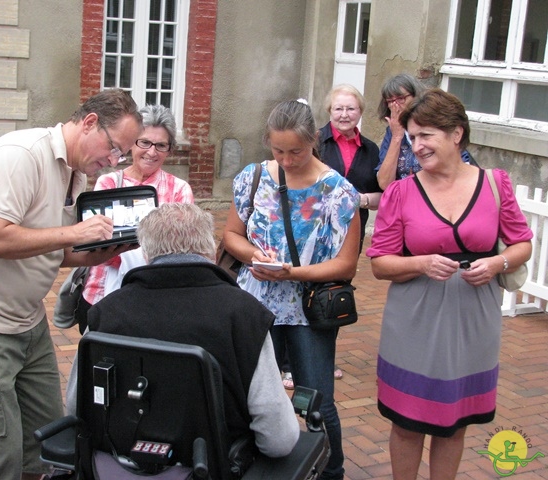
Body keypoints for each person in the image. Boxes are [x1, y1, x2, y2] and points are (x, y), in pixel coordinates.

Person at [0, 89, 144, 480]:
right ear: (90, 122)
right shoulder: (21, 155)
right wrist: (73, 232)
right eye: (114, 148)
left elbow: (43, 246)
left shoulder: (75, 171)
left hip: (27, 321)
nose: (113, 161)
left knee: (47, 444)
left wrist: (89, 255)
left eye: (121, 155)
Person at [366, 88, 533, 479]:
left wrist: (496, 262)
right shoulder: (401, 192)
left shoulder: (496, 184)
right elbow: (379, 264)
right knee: (406, 422)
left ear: (456, 134)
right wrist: (421, 263)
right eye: (412, 136)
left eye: (426, 135)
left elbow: (522, 243)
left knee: (454, 422)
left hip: (473, 318)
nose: (416, 145)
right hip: (414, 318)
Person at [80, 203, 300, 458]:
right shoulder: (244, 314)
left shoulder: (104, 312)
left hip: (118, 460)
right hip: (216, 464)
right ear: (210, 251)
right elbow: (279, 440)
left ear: (146, 254)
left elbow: (78, 407)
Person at [222, 99, 361, 480]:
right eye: (277, 149)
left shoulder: (339, 192)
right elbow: (231, 235)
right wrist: (254, 255)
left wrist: (294, 273)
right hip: (256, 303)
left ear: (313, 140)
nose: (285, 159)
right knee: (251, 395)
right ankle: (253, 467)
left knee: (317, 398)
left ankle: (332, 470)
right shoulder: (253, 179)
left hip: (310, 309)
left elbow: (346, 265)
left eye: (296, 151)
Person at [75, 104, 194, 332]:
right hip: (102, 293)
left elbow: (183, 250)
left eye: (161, 145)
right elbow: (94, 244)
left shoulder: (179, 190)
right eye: (145, 142)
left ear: (169, 150)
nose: (152, 152)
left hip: (156, 299)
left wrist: (122, 250)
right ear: (132, 144)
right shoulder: (108, 184)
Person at [318, 84, 383, 381]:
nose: (344, 114)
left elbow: (383, 194)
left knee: (334, 294)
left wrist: (359, 200)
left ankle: (323, 360)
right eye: (338, 108)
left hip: (351, 234)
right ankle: (290, 361)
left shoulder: (371, 149)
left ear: (360, 112)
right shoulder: (315, 141)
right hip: (314, 231)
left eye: (350, 108)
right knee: (305, 291)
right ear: (329, 111)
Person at [375, 74, 472, 190]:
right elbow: (384, 183)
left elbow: (462, 167)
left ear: (415, 96)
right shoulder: (392, 132)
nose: (395, 105)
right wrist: (397, 137)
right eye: (390, 101)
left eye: (401, 98)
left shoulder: (436, 126)